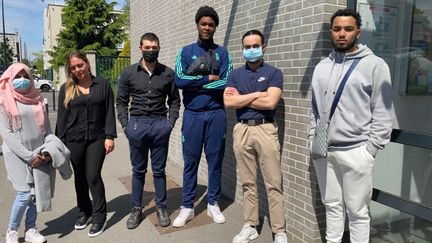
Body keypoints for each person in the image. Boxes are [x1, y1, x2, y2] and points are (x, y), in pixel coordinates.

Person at [309, 9, 393, 243]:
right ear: (331, 32)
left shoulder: (375, 66)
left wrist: (370, 150)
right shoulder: (321, 67)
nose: (342, 34)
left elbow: (383, 112)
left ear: (358, 32)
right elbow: (313, 109)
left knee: (357, 212)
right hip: (324, 151)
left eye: (348, 29)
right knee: (332, 206)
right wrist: (311, 137)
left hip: (357, 151)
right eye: (337, 29)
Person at [224, 29, 287, 243]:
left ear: (264, 47)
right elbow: (229, 102)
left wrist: (242, 97)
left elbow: (270, 103)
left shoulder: (274, 73)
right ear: (242, 49)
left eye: (255, 46)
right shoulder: (235, 75)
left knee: (273, 182)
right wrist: (256, 95)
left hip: (265, 129)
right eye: (247, 47)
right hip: (242, 130)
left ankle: (279, 230)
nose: (251, 50)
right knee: (248, 182)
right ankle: (250, 224)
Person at [172, 5, 232, 227]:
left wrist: (194, 83)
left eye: (211, 24)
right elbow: (179, 81)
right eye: (203, 23)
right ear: (197, 25)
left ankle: (213, 203)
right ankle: (187, 206)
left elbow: (226, 82)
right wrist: (207, 80)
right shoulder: (186, 52)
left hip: (216, 114)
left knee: (215, 162)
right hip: (193, 115)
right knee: (191, 162)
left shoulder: (223, 53)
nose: (207, 27)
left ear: (215, 27)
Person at [116, 32, 180, 229]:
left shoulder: (168, 73)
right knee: (138, 170)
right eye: (147, 47)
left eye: (154, 48)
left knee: (159, 170)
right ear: (140, 48)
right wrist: (126, 126)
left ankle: (161, 207)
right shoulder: (129, 73)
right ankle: (136, 209)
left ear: (159, 48)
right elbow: (121, 102)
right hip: (137, 126)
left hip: (160, 124)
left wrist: (170, 123)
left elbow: (175, 100)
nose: (151, 51)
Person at [56, 51, 117, 238]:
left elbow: (108, 112)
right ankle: (84, 211)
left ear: (87, 63)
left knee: (92, 176)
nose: (77, 70)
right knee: (80, 177)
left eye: (80, 65)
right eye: (73, 67)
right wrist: (59, 143)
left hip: (97, 138)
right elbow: (62, 118)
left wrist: (110, 136)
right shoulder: (66, 88)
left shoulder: (103, 85)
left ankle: (100, 216)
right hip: (73, 139)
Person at [0, 63, 51, 243]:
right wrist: (29, 157)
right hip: (17, 156)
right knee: (24, 194)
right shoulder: (4, 100)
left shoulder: (37, 99)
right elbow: (7, 134)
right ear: (10, 78)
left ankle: (31, 228)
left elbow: (47, 130)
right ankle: (12, 230)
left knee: (35, 194)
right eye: (17, 76)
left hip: (38, 154)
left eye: (25, 75)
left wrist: (47, 151)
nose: (22, 79)